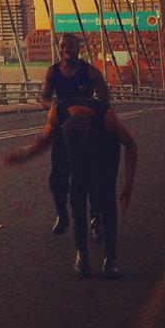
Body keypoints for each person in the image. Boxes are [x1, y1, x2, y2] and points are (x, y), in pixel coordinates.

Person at [5, 97, 137, 278]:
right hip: (77, 151)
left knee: (106, 198)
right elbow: (43, 141)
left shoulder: (106, 118)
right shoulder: (57, 114)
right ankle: (81, 255)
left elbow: (130, 145)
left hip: (105, 148)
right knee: (77, 196)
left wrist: (128, 186)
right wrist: (23, 156)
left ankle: (110, 259)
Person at [40, 33, 110, 238]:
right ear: (59, 48)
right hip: (62, 131)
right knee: (58, 177)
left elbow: (104, 99)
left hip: (86, 131)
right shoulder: (53, 72)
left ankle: (95, 219)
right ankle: (62, 214)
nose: (66, 49)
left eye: (70, 46)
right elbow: (44, 98)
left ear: (78, 49)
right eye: (63, 46)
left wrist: (91, 112)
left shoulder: (90, 72)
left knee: (90, 178)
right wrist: (54, 108)